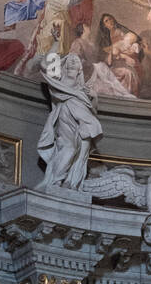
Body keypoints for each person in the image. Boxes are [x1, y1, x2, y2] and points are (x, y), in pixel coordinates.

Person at [36, 52, 102, 191]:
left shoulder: (84, 90)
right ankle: (55, 180)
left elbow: (94, 111)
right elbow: (44, 65)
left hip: (83, 122)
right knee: (69, 148)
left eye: (76, 61)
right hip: (65, 116)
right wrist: (55, 42)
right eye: (70, 60)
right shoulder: (58, 80)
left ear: (80, 69)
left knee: (81, 155)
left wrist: (93, 96)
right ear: (64, 65)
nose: (72, 62)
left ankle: (71, 183)